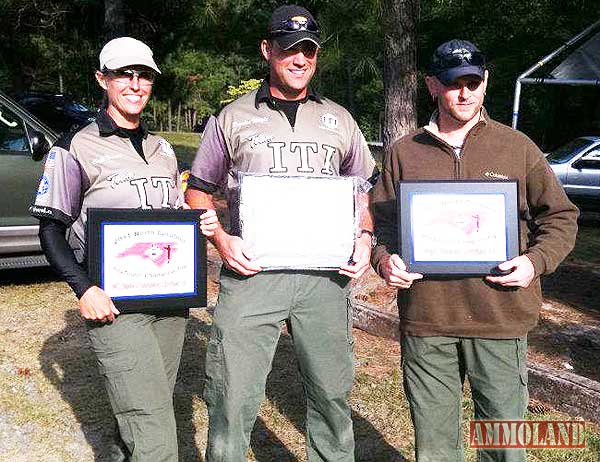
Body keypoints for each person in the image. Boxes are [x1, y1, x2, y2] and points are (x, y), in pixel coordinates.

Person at [185, 5, 378, 461]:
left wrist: (365, 238)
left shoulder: (340, 119)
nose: (299, 59)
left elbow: (362, 193)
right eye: (289, 49)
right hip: (253, 273)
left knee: (332, 397)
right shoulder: (231, 118)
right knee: (231, 396)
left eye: (308, 50)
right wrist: (221, 241)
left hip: (324, 278)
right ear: (267, 50)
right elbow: (198, 192)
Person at [370, 39, 579, 462]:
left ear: (486, 83)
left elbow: (560, 216)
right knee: (435, 444)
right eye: (452, 84)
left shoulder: (517, 147)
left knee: (505, 444)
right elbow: (381, 226)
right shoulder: (404, 152)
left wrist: (534, 262)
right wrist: (383, 260)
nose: (464, 93)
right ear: (432, 86)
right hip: (428, 321)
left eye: (473, 82)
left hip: (501, 317)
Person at [30, 36, 217, 461]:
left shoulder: (164, 149)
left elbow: (172, 216)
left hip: (169, 301)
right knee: (152, 427)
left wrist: (198, 222)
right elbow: (50, 230)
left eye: (144, 75)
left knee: (144, 406)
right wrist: (84, 289)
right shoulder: (75, 146)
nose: (135, 84)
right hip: (114, 305)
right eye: (123, 74)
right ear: (103, 79)